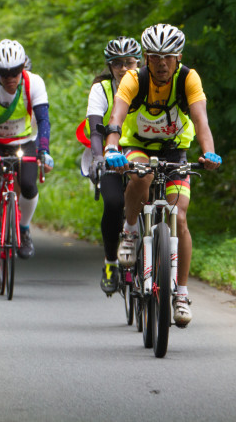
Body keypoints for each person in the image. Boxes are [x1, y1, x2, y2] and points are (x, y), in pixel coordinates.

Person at [102, 24, 222, 327]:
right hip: (137, 145)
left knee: (179, 218)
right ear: (145, 57)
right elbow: (116, 116)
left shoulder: (188, 79)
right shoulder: (133, 79)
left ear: (179, 56)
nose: (162, 64)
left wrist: (209, 152)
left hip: (175, 151)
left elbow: (201, 119)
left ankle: (180, 294)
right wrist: (111, 148)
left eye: (169, 57)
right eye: (155, 57)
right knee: (140, 178)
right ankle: (130, 233)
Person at [0, 41, 53, 261]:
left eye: (15, 72)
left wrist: (44, 150)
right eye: (4, 74)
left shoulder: (33, 82)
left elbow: (43, 120)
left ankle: (24, 230)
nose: (10, 79)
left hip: (22, 140)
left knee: (28, 183)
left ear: (22, 67)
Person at [76, 37, 141, 295]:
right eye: (117, 64)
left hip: (141, 150)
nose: (124, 69)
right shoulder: (101, 89)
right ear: (109, 66)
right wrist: (98, 158)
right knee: (114, 203)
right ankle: (110, 263)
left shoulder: (147, 83)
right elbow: (94, 129)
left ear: (139, 62)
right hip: (109, 151)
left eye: (130, 63)